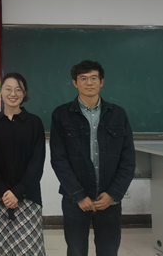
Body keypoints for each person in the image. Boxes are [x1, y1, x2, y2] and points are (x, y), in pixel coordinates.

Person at [50, 60, 136, 256]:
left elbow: (128, 159)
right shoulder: (61, 115)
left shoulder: (118, 114)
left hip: (109, 200)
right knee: (76, 250)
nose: (89, 82)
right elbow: (59, 160)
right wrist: (79, 195)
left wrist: (113, 193)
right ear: (75, 83)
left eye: (93, 78)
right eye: (83, 78)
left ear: (101, 82)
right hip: (75, 200)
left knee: (108, 251)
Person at [0, 72, 46, 255]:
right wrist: (4, 191)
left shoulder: (34, 123)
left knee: (29, 250)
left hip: (28, 197)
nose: (13, 94)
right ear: (1, 91)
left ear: (24, 93)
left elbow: (37, 162)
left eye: (18, 89)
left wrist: (17, 192)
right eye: (8, 89)